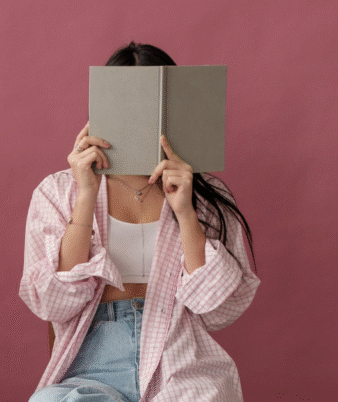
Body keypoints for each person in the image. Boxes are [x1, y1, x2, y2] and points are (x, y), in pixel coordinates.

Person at [20, 42, 260, 401]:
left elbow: (217, 311)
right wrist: (86, 195)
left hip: (179, 358)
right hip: (93, 362)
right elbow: (55, 304)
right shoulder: (58, 190)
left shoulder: (204, 193)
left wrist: (185, 211)